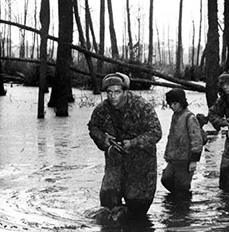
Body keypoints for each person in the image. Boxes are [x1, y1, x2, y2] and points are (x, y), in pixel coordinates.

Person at [87, 72, 162, 216]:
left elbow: (156, 132)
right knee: (108, 202)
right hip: (115, 162)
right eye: (109, 92)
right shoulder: (102, 109)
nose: (112, 96)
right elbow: (93, 127)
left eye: (117, 92)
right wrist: (104, 139)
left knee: (137, 210)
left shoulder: (142, 107)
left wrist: (133, 143)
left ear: (126, 92)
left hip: (141, 164)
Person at [161, 88, 204, 195]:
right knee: (166, 179)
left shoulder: (189, 117)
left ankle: (183, 206)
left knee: (182, 187)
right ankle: (176, 202)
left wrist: (194, 160)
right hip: (173, 158)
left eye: (175, 103)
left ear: (181, 103)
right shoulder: (175, 116)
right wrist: (167, 155)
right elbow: (171, 137)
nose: (172, 106)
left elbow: (196, 140)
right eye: (170, 104)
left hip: (186, 159)